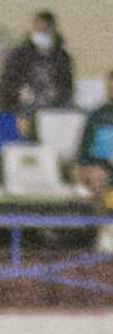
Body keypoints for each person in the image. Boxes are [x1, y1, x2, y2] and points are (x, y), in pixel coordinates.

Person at [0, 11, 74, 120]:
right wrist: (19, 93)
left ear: (53, 30)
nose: (41, 33)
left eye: (45, 30)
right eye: (38, 29)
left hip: (52, 114)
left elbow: (67, 89)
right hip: (22, 113)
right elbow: (5, 86)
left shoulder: (62, 58)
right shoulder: (19, 56)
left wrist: (56, 96)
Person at [75, 68, 113, 234]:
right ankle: (104, 231)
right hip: (101, 171)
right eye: (110, 86)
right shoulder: (97, 116)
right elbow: (83, 153)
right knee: (96, 177)